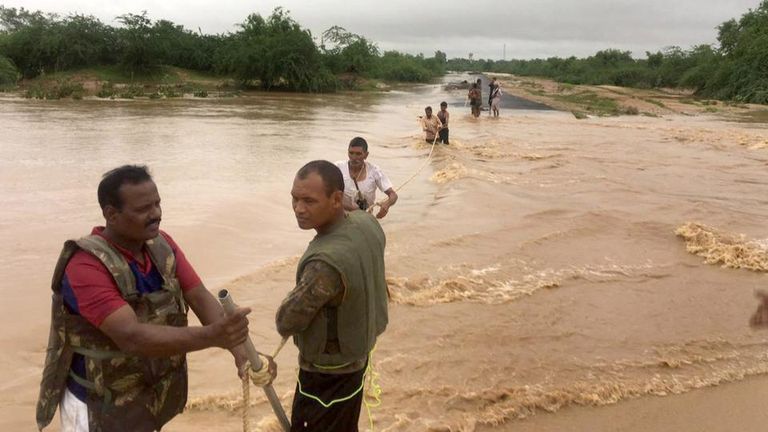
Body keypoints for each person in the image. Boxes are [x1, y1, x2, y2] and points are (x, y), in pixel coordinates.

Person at [36, 165, 274, 432]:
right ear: (111, 214)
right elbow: (131, 336)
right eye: (142, 209)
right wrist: (214, 336)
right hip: (97, 407)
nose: (156, 214)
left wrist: (242, 355)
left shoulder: (161, 246)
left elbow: (197, 295)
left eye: (157, 204)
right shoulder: (85, 266)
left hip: (146, 398)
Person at [277, 160, 389, 432]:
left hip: (327, 377)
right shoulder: (367, 224)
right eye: (294, 199)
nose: (298, 209)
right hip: (358, 359)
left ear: (337, 199)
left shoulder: (325, 264)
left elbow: (287, 322)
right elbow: (357, 214)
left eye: (309, 201)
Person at [336, 137, 398, 219]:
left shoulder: (374, 171)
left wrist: (387, 204)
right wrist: (352, 209)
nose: (354, 158)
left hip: (364, 219)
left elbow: (393, 195)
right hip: (340, 217)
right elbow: (326, 196)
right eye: (351, 153)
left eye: (358, 154)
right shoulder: (338, 168)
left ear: (366, 155)